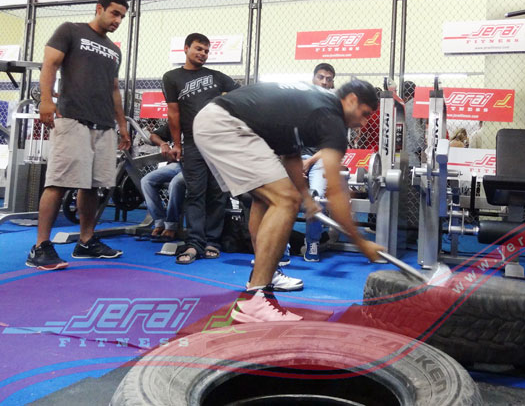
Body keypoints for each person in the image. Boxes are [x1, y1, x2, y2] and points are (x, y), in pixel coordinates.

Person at [192, 79, 385, 322]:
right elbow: (336, 191)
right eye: (365, 114)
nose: (364, 123)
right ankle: (256, 298)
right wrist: (361, 242)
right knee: (285, 200)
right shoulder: (332, 118)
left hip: (214, 120)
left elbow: (291, 156)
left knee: (265, 200)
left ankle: (264, 274)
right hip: (226, 125)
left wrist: (306, 197)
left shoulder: (313, 106)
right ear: (352, 100)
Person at [26, 0, 131, 270]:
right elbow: (50, 64)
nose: (118, 20)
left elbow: (114, 89)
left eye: (122, 16)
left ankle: (86, 241)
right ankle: (40, 247)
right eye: (114, 13)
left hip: (103, 124)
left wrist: (122, 125)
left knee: (94, 186)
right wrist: (46, 100)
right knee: (58, 182)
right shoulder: (70, 30)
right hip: (73, 118)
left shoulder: (114, 50)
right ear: (99, 8)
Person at [162, 33, 237, 264]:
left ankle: (213, 241)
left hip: (218, 143)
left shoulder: (217, 77)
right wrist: (176, 144)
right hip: (193, 143)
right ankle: (195, 242)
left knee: (217, 193)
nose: (203, 54)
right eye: (198, 49)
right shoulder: (172, 77)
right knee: (195, 193)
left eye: (206, 51)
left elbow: (239, 96)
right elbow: (173, 113)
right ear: (186, 49)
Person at [301, 62, 335, 262]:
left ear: (332, 83)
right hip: (295, 157)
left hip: (319, 159)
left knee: (316, 199)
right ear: (313, 78)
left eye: (328, 79)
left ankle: (312, 242)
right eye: (320, 77)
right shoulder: (299, 103)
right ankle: (282, 247)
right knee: (283, 198)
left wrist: (309, 162)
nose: (324, 82)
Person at [140, 123, 185, 242]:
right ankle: (160, 222)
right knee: (146, 181)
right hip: (176, 164)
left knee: (176, 182)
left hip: (192, 166)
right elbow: (153, 136)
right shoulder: (176, 123)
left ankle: (171, 226)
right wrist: (163, 144)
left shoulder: (196, 123)